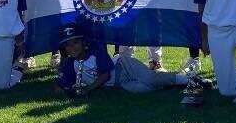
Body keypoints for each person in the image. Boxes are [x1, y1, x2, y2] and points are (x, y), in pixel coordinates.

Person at [54, 23, 207, 97]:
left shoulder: (94, 50)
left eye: (75, 42)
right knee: (144, 90)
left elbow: (105, 75)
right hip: (118, 83)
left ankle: (191, 79)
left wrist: (87, 90)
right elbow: (59, 86)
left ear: (83, 42)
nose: (72, 48)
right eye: (67, 45)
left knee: (150, 78)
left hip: (122, 66)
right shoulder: (68, 63)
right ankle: (176, 82)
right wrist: (67, 92)